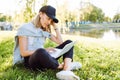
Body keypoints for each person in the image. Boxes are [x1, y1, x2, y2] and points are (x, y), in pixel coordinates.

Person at [13, 5, 82, 80]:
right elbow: (23, 53)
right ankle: (62, 66)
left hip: (44, 56)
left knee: (69, 42)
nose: (49, 22)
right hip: (31, 60)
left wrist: (55, 26)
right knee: (40, 51)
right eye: (48, 18)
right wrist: (45, 50)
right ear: (40, 14)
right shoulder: (25, 28)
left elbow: (60, 42)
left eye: (51, 20)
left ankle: (66, 70)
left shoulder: (44, 30)